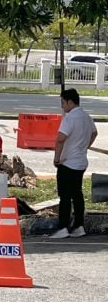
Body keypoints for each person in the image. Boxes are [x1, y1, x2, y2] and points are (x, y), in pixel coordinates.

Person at [51, 88, 97, 239]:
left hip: (67, 162)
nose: (62, 106)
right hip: (81, 162)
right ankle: (79, 225)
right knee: (77, 194)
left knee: (64, 196)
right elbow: (94, 133)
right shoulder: (86, 116)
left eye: (63, 103)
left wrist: (57, 159)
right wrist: (84, 146)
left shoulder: (70, 118)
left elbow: (60, 139)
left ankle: (63, 227)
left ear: (70, 102)